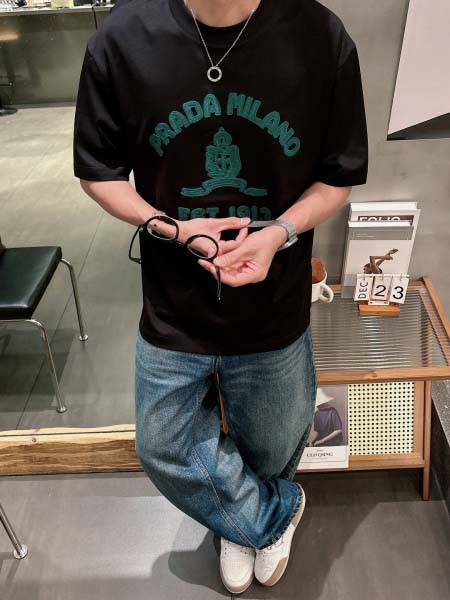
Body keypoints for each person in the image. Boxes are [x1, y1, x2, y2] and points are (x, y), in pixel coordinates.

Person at [73, 0, 368, 593]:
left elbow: (338, 174)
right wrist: (172, 229)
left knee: (274, 445)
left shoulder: (319, 35)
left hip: (274, 301)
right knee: (163, 445)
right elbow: (97, 171)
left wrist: (278, 234)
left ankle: (236, 522)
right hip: (173, 301)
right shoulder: (124, 36)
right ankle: (267, 518)